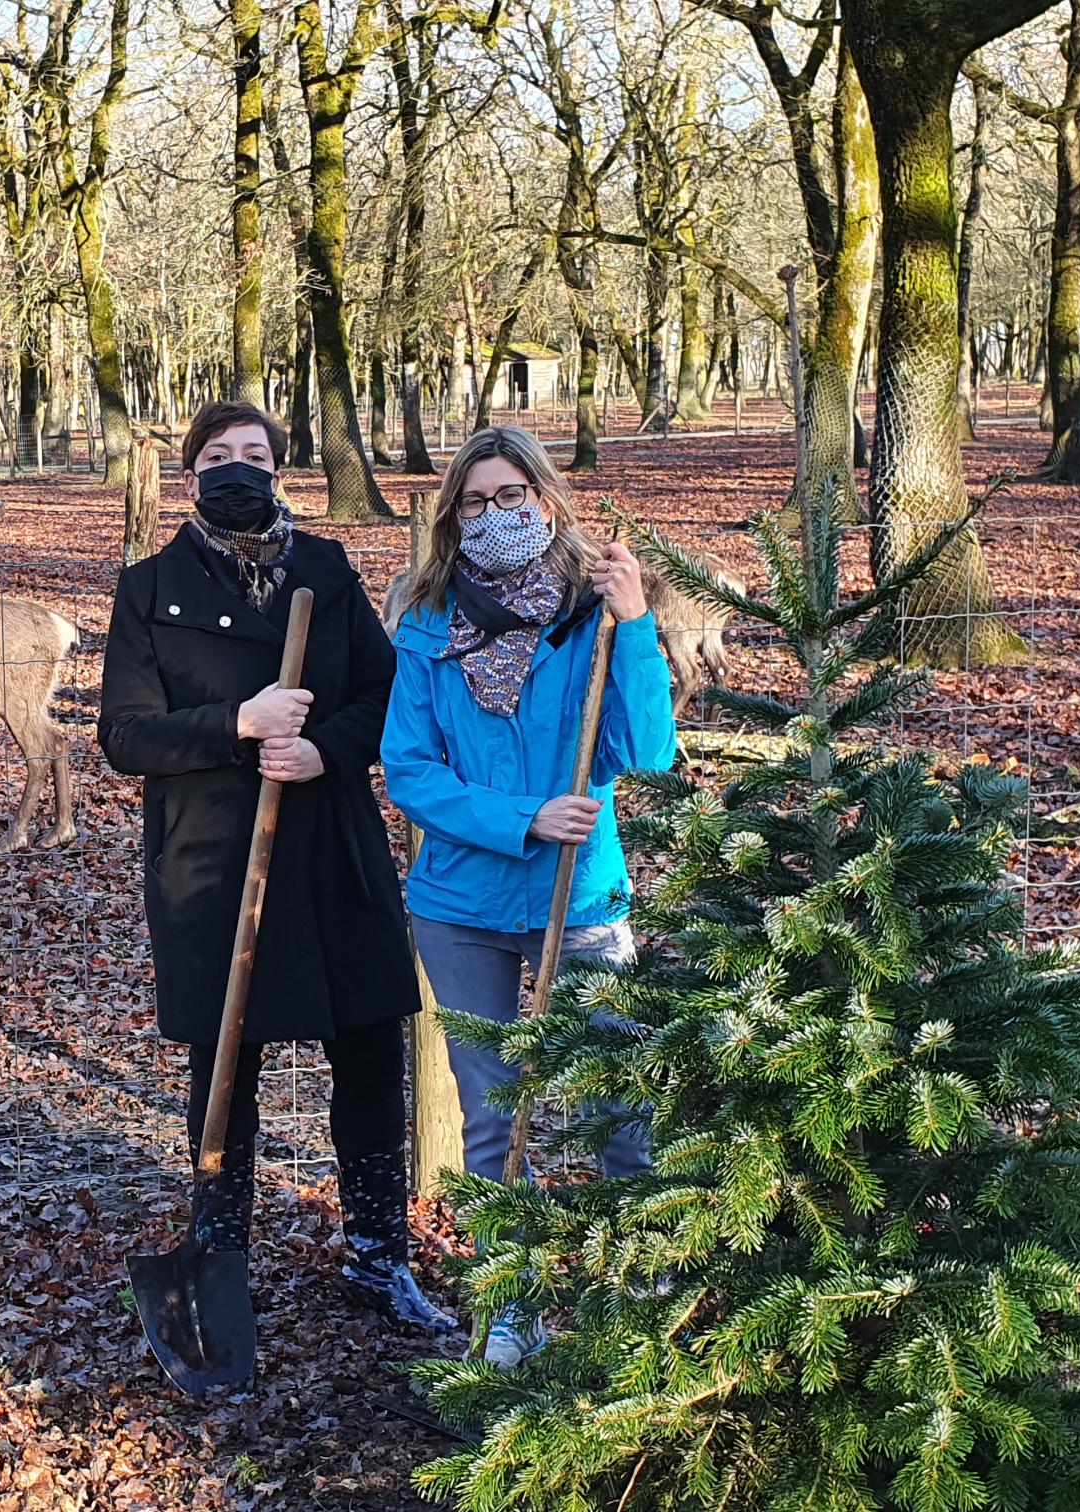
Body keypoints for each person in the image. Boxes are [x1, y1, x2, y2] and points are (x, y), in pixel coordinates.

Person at [98, 399, 455, 1332]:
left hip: (330, 849)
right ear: (191, 475)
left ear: (279, 469)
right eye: (219, 455)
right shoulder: (149, 587)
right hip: (216, 862)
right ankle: (220, 1260)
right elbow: (124, 737)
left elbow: (382, 693)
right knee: (227, 1065)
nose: (238, 467)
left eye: (255, 454)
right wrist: (238, 725)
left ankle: (378, 1257)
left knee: (371, 1047)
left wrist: (324, 751)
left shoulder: (326, 570)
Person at [380, 424, 676, 1368]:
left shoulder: (594, 612)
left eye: (513, 496)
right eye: (475, 501)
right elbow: (408, 769)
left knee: (618, 1103)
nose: (496, 514)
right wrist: (521, 817)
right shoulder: (427, 621)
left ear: (546, 501)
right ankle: (515, 1304)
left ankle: (644, 1286)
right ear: (452, 517)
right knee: (493, 1117)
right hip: (460, 905)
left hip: (579, 904)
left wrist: (633, 627)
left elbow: (649, 751)